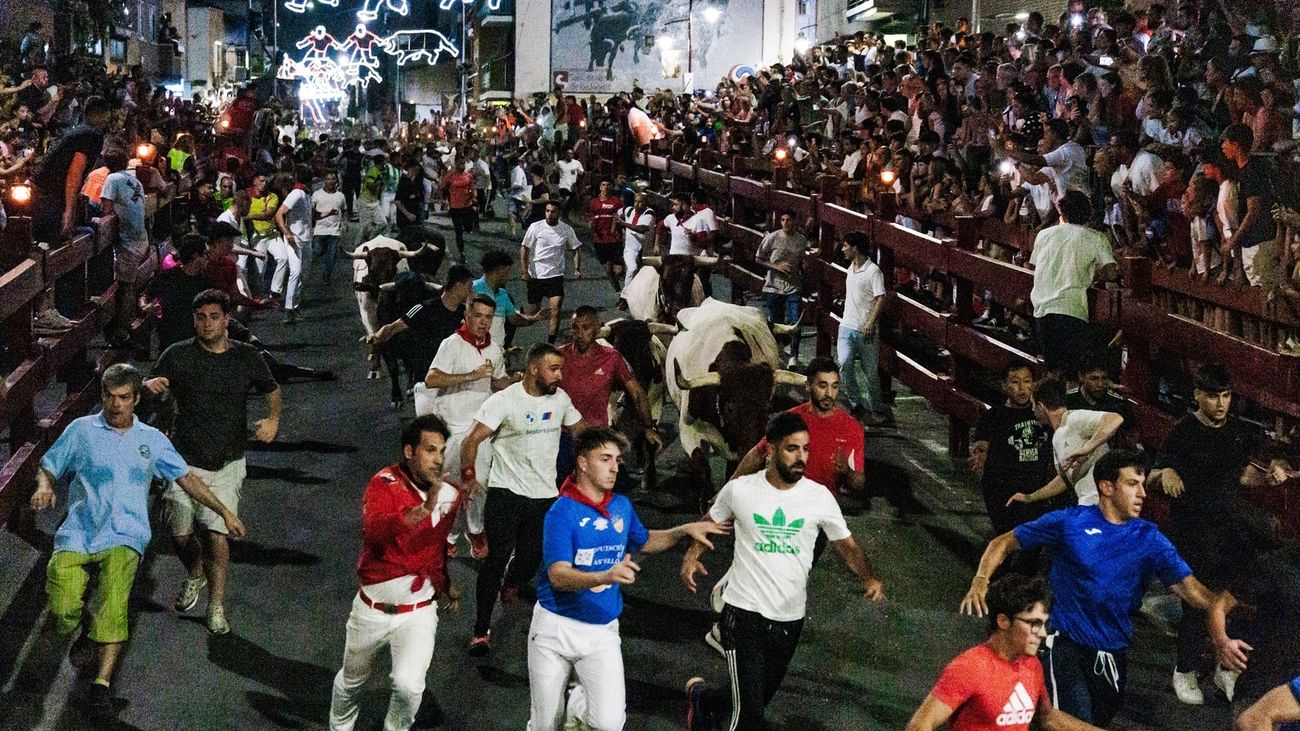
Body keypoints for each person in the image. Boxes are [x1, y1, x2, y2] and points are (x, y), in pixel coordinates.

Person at [30, 364, 244, 715]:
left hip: (126, 533)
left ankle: (101, 685)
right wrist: (44, 484)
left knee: (114, 603)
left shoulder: (152, 440)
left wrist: (225, 512)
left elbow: (187, 479)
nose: (116, 405)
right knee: (62, 607)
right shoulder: (81, 430)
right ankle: (85, 624)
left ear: (137, 399)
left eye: (124, 398)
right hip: (79, 532)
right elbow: (50, 463)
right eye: (110, 397)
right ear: (102, 396)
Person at [960, 449, 1222, 726]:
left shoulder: (1149, 538)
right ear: (1106, 487)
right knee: (1065, 722)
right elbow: (1003, 542)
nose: (1143, 494)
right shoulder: (1070, 522)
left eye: (1143, 484)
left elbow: (1192, 591)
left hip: (1114, 652)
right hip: (1063, 644)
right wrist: (980, 581)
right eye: (1133, 484)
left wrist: (1229, 609)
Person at [682, 411, 886, 730]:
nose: (801, 456)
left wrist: (869, 577)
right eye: (792, 449)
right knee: (749, 719)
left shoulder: (819, 497)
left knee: (756, 697)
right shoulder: (741, 491)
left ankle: (703, 701)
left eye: (805, 449)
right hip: (744, 614)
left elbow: (846, 545)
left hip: (789, 620)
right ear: (772, 449)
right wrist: (692, 554)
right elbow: (711, 520)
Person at [529, 428, 725, 731]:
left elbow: (644, 540)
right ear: (582, 462)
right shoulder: (561, 513)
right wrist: (606, 575)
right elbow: (558, 576)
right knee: (545, 725)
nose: (614, 467)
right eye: (605, 459)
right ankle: (569, 705)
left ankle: (576, 703)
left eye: (618, 460)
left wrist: (684, 530)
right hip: (555, 630)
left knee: (609, 724)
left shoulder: (620, 505)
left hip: (602, 631)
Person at [1149, 364, 1292, 704]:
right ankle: (1184, 670)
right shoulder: (1182, 431)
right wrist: (1165, 472)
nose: (1220, 404)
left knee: (1235, 601)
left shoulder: (1236, 432)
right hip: (1192, 531)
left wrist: (1268, 480)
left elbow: (1241, 476)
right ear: (1197, 395)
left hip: (1230, 531)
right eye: (1213, 396)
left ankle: (1223, 668)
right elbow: (1153, 474)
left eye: (1226, 396)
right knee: (1198, 606)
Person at [144, 289, 280, 635]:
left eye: (214, 316)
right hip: (183, 461)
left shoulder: (247, 357)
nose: (207, 323)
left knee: (216, 536)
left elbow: (272, 388)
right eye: (200, 317)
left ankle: (216, 606)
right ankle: (194, 572)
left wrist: (273, 419)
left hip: (227, 461)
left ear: (226, 319)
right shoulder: (176, 355)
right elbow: (147, 384)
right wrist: (150, 384)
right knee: (179, 534)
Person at [327, 414, 463, 731]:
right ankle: (340, 726)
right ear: (409, 451)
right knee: (352, 682)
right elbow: (375, 531)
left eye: (442, 451)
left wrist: (444, 586)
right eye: (430, 450)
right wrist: (421, 511)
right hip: (371, 611)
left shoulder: (450, 495)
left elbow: (437, 547)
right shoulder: (383, 484)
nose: (439, 460)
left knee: (408, 685)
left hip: (418, 612)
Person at [458, 343, 587, 655]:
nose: (560, 375)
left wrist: (603, 454)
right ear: (533, 369)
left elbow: (581, 431)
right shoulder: (504, 400)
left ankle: (513, 581)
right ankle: (480, 630)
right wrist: (468, 476)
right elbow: (472, 439)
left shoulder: (561, 399)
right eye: (553, 369)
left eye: (561, 369)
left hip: (544, 496)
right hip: (506, 494)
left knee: (531, 558)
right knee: (496, 558)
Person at [906, 576, 1102, 730]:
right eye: (1034, 623)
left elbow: (1048, 718)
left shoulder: (1031, 665)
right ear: (1003, 621)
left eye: (1044, 624)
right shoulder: (969, 667)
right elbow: (919, 725)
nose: (1042, 633)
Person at [423, 294, 512, 560]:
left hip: (479, 430)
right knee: (451, 486)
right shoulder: (451, 345)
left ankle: (475, 530)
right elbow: (431, 379)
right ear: (467, 316)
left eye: (488, 317)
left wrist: (518, 381)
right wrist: (470, 376)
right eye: (478, 315)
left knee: (478, 481)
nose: (483, 322)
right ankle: (448, 534)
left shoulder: (494, 350)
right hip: (450, 429)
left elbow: (498, 380)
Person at [555, 306, 662, 483]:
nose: (580, 334)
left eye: (586, 328)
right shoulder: (559, 356)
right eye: (575, 327)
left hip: (597, 437)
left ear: (597, 329)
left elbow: (637, 393)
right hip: (563, 438)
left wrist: (649, 427)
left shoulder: (613, 358)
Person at [1028, 190, 1117, 377]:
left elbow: (1033, 265)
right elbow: (1111, 272)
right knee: (1073, 373)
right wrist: (1095, 276)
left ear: (1063, 212)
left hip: (1042, 308)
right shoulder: (1096, 237)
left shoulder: (1044, 235)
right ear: (1088, 213)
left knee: (1053, 371)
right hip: (1072, 307)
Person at [1007, 377, 1125, 508]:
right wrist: (1029, 497)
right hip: (1091, 508)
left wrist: (1087, 448)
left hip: (1108, 505)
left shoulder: (1074, 418)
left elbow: (1115, 419)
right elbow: (1065, 480)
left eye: (1033, 404)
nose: (1032, 409)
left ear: (1041, 406)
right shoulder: (1057, 436)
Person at [969, 362, 1056, 537]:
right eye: (1015, 382)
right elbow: (981, 447)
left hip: (1036, 490)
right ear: (1004, 385)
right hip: (1002, 490)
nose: (1022, 388)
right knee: (1008, 537)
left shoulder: (1042, 414)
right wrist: (980, 456)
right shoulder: (993, 416)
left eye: (1027, 381)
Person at [366, 265, 473, 386]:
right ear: (458, 285)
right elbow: (393, 327)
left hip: (452, 375)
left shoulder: (464, 313)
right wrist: (377, 337)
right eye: (469, 287)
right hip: (425, 377)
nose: (471, 292)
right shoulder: (423, 308)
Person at [837, 231, 892, 426]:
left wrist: (870, 322)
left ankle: (876, 409)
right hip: (847, 325)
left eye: (845, 246)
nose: (842, 249)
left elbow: (881, 297)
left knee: (870, 373)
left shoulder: (873, 271)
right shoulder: (850, 268)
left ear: (855, 248)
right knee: (844, 362)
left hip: (865, 329)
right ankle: (855, 403)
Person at [98, 144, 149, 346]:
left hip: (128, 239)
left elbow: (107, 208)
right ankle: (122, 327)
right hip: (140, 235)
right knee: (128, 284)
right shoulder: (135, 180)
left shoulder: (112, 179)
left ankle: (122, 331)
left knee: (126, 286)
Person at [1220, 123, 1278, 286]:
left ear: (1235, 144)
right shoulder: (1247, 170)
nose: (1223, 146)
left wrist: (1233, 240)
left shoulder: (1252, 171)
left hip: (1260, 241)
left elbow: (1253, 211)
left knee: (1265, 289)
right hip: (1254, 242)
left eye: (1225, 142)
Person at [521, 201, 582, 344]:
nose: (549, 214)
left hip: (555, 276)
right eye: (547, 211)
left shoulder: (566, 229)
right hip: (536, 275)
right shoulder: (536, 227)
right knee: (533, 314)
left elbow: (576, 248)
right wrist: (524, 271)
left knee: (555, 311)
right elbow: (524, 248)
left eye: (553, 211)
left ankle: (550, 343)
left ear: (558, 213)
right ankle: (515, 320)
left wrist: (577, 269)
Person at [142, 234, 211, 351]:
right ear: (195, 256)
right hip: (171, 342)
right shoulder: (167, 277)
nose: (208, 258)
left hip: (196, 342)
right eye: (205, 254)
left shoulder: (205, 282)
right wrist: (145, 306)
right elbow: (146, 296)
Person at [756, 212, 808, 366]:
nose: (785, 223)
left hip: (793, 285)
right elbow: (758, 258)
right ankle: (777, 351)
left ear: (794, 221)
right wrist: (776, 266)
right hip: (774, 285)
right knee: (776, 321)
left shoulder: (801, 240)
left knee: (795, 320)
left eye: (789, 220)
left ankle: (794, 355)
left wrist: (804, 265)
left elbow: (803, 261)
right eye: (783, 219)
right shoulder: (772, 237)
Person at [473, 248, 544, 345]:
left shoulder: (503, 294)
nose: (507, 277)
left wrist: (535, 318)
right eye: (506, 272)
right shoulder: (473, 289)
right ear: (497, 271)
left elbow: (514, 319)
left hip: (496, 352)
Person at [273, 164, 314, 322]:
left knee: (304, 273)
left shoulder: (305, 194)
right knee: (296, 272)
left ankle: (295, 306)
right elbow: (279, 214)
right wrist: (287, 232)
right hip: (295, 239)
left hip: (305, 239)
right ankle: (289, 308)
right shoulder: (296, 193)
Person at [615, 190, 655, 307]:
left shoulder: (649, 214)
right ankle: (624, 297)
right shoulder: (629, 210)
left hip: (645, 249)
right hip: (630, 249)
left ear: (646, 203)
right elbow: (617, 214)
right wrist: (616, 230)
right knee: (632, 269)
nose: (637, 205)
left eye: (640, 202)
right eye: (636, 202)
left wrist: (624, 224)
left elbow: (641, 229)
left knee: (645, 275)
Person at [311, 170, 346, 286]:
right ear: (324, 181)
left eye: (333, 179)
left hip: (334, 231)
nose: (331, 182)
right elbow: (311, 212)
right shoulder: (316, 194)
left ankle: (326, 277)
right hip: (319, 230)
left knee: (332, 256)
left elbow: (344, 210)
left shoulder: (340, 196)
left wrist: (344, 223)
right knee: (318, 250)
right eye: (328, 179)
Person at [588, 180, 623, 292]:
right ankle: (619, 292)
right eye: (603, 185)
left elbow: (621, 218)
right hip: (600, 240)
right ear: (600, 187)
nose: (606, 187)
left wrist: (617, 230)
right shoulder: (593, 202)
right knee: (608, 269)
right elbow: (590, 218)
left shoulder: (617, 202)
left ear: (612, 187)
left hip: (614, 239)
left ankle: (624, 289)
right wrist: (591, 225)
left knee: (617, 270)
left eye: (608, 185)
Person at [440, 157, 476, 262]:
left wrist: (474, 197)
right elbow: (441, 188)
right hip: (455, 208)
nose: (462, 165)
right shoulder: (450, 176)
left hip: (467, 207)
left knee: (468, 227)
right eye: (460, 163)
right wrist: (444, 200)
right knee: (458, 231)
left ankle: (469, 227)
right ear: (456, 163)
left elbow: (473, 188)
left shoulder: (468, 176)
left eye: (464, 163)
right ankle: (462, 252)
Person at [554, 146, 585, 220]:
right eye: (568, 153)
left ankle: (565, 216)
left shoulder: (577, 163)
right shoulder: (560, 163)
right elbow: (554, 171)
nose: (569, 155)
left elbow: (582, 172)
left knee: (571, 202)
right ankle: (559, 212)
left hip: (572, 187)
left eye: (571, 153)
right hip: (563, 185)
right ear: (565, 154)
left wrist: (580, 177)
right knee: (567, 198)